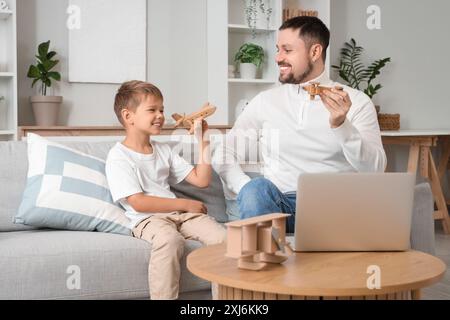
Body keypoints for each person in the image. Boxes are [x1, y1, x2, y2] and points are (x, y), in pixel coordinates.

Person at [213, 16, 387, 232]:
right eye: (278, 49)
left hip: (336, 207)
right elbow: (223, 153)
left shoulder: (357, 102)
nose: (277, 58)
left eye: (287, 50)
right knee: (257, 188)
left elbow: (375, 169)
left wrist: (342, 126)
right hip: (281, 205)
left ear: (315, 52)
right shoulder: (265, 101)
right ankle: (267, 259)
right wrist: (245, 187)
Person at [105, 80, 226, 300]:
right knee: (170, 241)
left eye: (162, 109)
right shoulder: (118, 156)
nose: (160, 115)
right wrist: (185, 204)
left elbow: (201, 180)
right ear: (128, 116)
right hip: (148, 219)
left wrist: (204, 142)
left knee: (223, 239)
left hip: (181, 215)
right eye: (152, 110)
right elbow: (138, 202)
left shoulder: (163, 150)